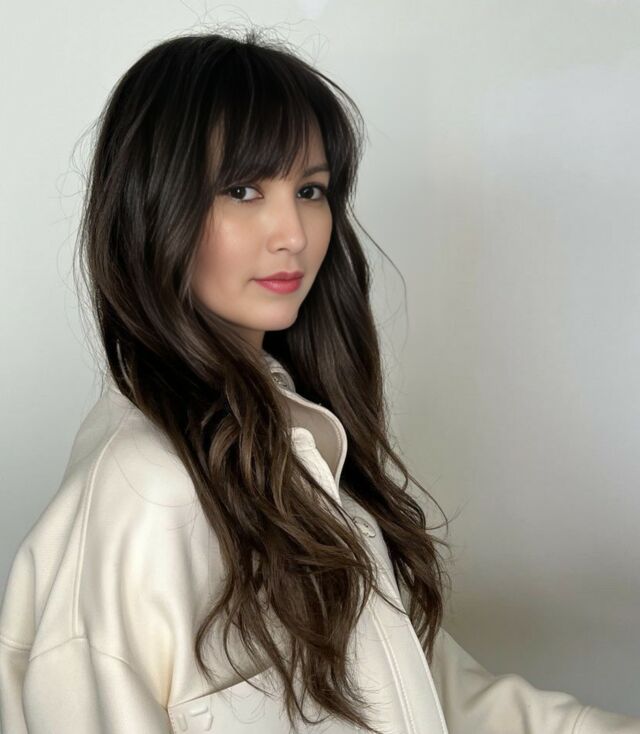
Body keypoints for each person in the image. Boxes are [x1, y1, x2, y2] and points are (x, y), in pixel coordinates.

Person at [0, 28, 638, 734]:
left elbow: (430, 698)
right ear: (154, 207)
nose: (294, 234)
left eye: (310, 190)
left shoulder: (291, 452)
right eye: (242, 190)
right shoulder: (147, 494)